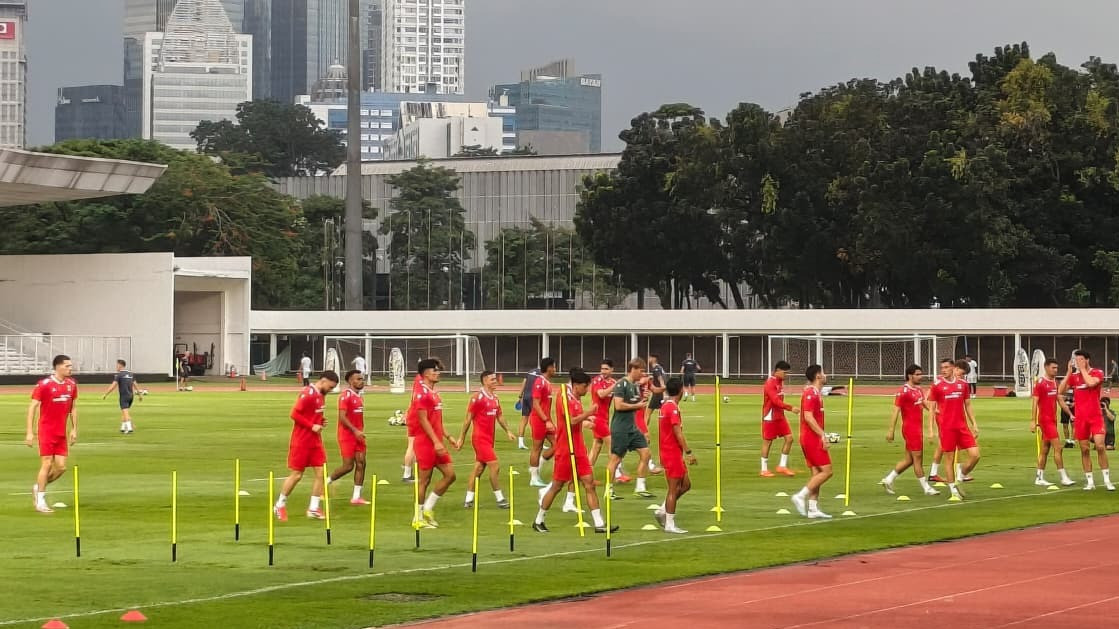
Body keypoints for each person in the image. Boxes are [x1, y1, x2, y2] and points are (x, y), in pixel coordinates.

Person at [533, 368, 619, 534]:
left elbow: (576, 418)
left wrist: (586, 418)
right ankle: (539, 519)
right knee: (557, 486)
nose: (587, 391)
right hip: (566, 448)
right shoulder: (564, 396)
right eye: (585, 387)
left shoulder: (574, 396)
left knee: (589, 483)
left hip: (578, 447)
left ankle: (599, 524)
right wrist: (589, 412)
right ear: (578, 385)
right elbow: (571, 420)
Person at [274, 370, 339, 522]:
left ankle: (313, 508)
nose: (330, 390)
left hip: (315, 441)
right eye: (330, 387)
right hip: (301, 440)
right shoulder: (308, 393)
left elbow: (314, 414)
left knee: (321, 473)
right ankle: (279, 504)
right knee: (297, 474)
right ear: (323, 381)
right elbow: (294, 414)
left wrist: (321, 421)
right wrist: (312, 426)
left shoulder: (322, 396)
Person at [26, 355, 78, 514]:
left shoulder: (71, 384)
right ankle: (41, 501)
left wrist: (74, 428)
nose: (70, 368)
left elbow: (73, 407)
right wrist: (29, 432)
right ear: (58, 367)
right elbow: (32, 407)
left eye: (70, 366)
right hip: (46, 430)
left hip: (60, 432)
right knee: (47, 463)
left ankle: (38, 487)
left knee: (61, 468)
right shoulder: (44, 385)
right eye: (67, 366)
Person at [455, 370, 514, 509]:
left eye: (495, 379)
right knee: (494, 466)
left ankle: (468, 500)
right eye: (492, 379)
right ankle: (500, 499)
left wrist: (508, 431)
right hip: (479, 439)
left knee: (479, 469)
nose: (495, 381)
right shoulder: (477, 397)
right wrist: (461, 438)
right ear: (485, 381)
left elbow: (499, 416)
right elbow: (467, 419)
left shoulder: (495, 398)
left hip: (489, 439)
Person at [410, 358, 458, 527]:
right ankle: (417, 518)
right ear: (425, 373)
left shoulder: (434, 393)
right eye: (435, 370)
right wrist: (436, 442)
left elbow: (436, 421)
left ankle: (428, 508)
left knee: (450, 475)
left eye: (438, 370)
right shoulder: (421, 393)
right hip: (426, 443)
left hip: (437, 441)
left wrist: (448, 437)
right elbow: (423, 420)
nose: (438, 373)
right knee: (424, 480)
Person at [1058, 350, 1113, 491]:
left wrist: (1082, 369)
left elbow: (1090, 383)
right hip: (1081, 419)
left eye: (1080, 359)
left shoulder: (1097, 373)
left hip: (1095, 417)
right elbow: (1060, 390)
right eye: (1076, 360)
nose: (1078, 362)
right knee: (1084, 450)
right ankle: (1090, 481)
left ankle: (1107, 480)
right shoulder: (1074, 376)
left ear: (1087, 360)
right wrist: (1069, 372)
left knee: (1100, 446)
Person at [881, 364, 938, 496]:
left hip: (916, 429)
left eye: (920, 374)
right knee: (918, 459)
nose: (920, 376)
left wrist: (938, 411)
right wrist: (891, 431)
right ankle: (926, 488)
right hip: (911, 429)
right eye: (917, 374)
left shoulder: (918, 390)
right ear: (910, 375)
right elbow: (895, 411)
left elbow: (925, 404)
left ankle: (888, 479)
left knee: (909, 460)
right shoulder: (903, 391)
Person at [928, 359, 981, 500]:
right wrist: (931, 429)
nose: (943, 370)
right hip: (946, 428)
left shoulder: (962, 384)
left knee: (975, 455)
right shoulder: (937, 385)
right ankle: (953, 491)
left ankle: (961, 476)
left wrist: (974, 424)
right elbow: (931, 408)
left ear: (953, 368)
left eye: (946, 367)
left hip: (962, 426)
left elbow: (968, 405)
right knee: (949, 459)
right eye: (942, 367)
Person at [606, 357, 655, 500]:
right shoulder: (621, 384)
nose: (642, 374)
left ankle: (640, 487)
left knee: (646, 453)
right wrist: (638, 406)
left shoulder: (634, 386)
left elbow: (635, 404)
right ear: (633, 369)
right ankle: (608, 490)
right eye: (641, 371)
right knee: (615, 459)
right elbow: (618, 406)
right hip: (620, 428)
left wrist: (643, 399)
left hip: (632, 428)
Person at [654, 377, 698, 533]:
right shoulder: (671, 408)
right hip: (671, 453)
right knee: (673, 489)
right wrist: (689, 452)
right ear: (681, 390)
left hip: (671, 452)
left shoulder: (666, 405)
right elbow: (677, 432)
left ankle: (662, 510)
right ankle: (669, 524)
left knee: (686, 485)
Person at [790, 364, 832, 519]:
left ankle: (813, 509)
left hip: (810, 437)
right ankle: (800, 496)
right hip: (811, 438)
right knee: (827, 471)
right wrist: (822, 435)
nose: (826, 375)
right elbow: (808, 416)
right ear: (818, 376)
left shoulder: (815, 392)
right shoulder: (811, 393)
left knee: (817, 473)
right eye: (823, 372)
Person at [327, 369, 370, 505]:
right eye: (358, 379)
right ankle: (326, 482)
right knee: (348, 466)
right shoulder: (345, 396)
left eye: (362, 379)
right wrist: (355, 430)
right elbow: (342, 417)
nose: (361, 381)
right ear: (350, 381)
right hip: (347, 435)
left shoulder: (359, 397)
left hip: (358, 435)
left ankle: (356, 496)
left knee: (362, 463)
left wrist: (359, 432)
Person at [1032, 358, 1075, 487]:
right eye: (1053, 368)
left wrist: (1070, 414)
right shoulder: (1040, 383)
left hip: (1053, 420)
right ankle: (1063, 477)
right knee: (1058, 447)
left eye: (1056, 368)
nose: (1056, 370)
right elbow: (1035, 402)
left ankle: (1039, 477)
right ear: (1046, 367)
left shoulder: (1054, 382)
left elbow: (1059, 400)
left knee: (1045, 449)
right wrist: (1033, 421)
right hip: (1045, 421)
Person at [760, 361, 799, 478]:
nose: (786, 375)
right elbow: (775, 401)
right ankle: (764, 469)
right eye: (785, 373)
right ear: (777, 370)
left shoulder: (780, 381)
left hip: (779, 415)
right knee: (768, 441)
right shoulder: (770, 383)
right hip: (770, 416)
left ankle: (782, 466)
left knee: (789, 439)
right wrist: (790, 408)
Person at [589, 359, 625, 481]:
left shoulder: (613, 382)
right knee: (612, 445)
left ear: (612, 370)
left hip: (605, 418)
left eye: (606, 369)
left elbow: (619, 399)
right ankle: (617, 474)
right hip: (597, 417)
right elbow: (601, 394)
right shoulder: (597, 381)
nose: (603, 371)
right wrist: (615, 386)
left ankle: (586, 473)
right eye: (602, 368)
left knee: (597, 446)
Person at [528, 357, 558, 488]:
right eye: (554, 367)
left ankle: (539, 464)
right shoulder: (540, 382)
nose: (555, 370)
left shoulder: (547, 382)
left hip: (547, 420)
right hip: (539, 420)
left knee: (559, 443)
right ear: (549, 368)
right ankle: (534, 478)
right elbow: (535, 403)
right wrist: (546, 420)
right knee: (537, 448)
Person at [643, 353, 668, 475]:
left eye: (649, 358)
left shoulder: (656, 368)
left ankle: (644, 427)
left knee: (648, 412)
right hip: (659, 392)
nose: (648, 359)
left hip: (658, 393)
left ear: (653, 359)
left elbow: (660, 379)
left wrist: (663, 390)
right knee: (655, 411)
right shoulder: (660, 367)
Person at [102, 359, 140, 434]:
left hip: (124, 396)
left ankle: (129, 428)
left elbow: (113, 386)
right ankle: (122, 427)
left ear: (120, 365)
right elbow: (135, 384)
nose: (116, 367)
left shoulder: (119, 375)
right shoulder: (131, 374)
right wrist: (140, 394)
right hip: (131, 396)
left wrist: (106, 394)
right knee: (124, 411)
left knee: (125, 412)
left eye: (117, 365)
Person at [515, 365, 542, 450]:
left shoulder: (530, 371)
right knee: (537, 420)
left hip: (526, 396)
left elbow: (524, 382)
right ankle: (538, 442)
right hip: (534, 397)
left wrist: (520, 395)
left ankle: (520, 443)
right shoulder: (542, 374)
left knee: (524, 419)